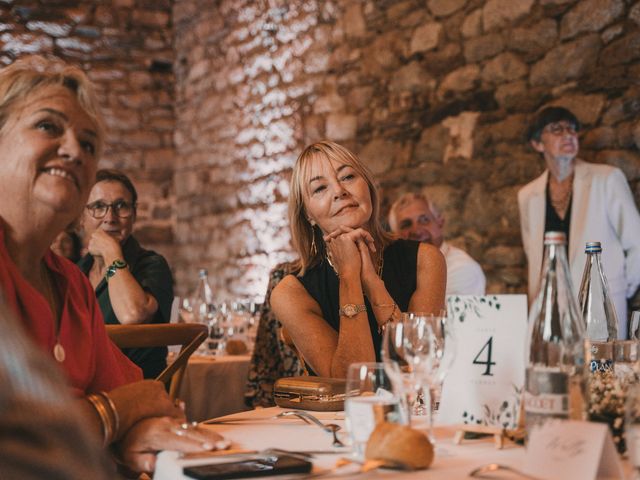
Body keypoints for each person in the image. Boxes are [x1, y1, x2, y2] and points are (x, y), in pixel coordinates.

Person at [0, 55, 223, 474]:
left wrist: (134, 426)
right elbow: (19, 441)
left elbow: (142, 393)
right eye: (48, 126)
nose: (73, 151)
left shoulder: (71, 282)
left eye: (88, 144)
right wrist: (114, 416)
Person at [271, 141, 446, 378]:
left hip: (415, 411)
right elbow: (348, 383)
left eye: (348, 177)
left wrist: (373, 284)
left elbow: (420, 363)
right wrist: (349, 278)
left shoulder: (425, 260)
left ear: (368, 188)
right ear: (308, 214)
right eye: (320, 188)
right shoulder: (290, 293)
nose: (339, 191)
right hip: (339, 416)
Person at [518, 106, 640, 338]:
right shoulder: (527, 195)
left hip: (599, 306)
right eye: (556, 129)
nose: (568, 135)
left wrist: (618, 290)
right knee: (554, 370)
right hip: (549, 307)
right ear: (537, 144)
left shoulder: (606, 179)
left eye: (572, 129)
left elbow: (637, 241)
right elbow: (532, 252)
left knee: (602, 370)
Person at [78, 169, 173, 379]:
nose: (110, 217)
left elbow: (133, 315)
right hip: (86, 389)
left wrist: (111, 253)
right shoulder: (76, 272)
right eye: (98, 207)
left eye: (121, 206)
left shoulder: (151, 265)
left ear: (134, 215)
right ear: (81, 217)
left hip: (137, 390)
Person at [388, 192, 486, 296]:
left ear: (440, 223)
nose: (416, 231)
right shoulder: (393, 269)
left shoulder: (463, 268)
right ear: (395, 235)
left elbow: (432, 312)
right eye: (406, 225)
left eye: (424, 220)